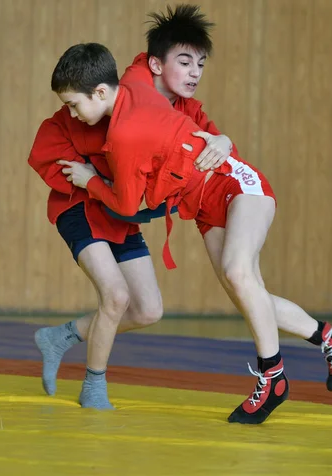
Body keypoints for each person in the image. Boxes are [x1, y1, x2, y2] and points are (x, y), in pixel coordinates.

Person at [52, 38, 332, 424]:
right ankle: (331, 339)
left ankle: (273, 377)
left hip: (237, 186)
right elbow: (149, 58)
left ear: (99, 91)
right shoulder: (134, 79)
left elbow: (127, 207)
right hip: (204, 207)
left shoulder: (125, 128)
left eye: (74, 105)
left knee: (236, 273)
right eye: (185, 62)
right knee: (249, 294)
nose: (73, 115)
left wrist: (90, 180)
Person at [26, 4, 231, 410]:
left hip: (116, 207)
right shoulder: (134, 84)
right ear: (156, 64)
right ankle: (94, 386)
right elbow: (138, 68)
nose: (193, 72)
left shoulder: (167, 106)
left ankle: (61, 336)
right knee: (116, 297)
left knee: (149, 309)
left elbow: (203, 134)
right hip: (82, 205)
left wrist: (222, 140)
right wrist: (91, 180)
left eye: (199, 64)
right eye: (183, 62)